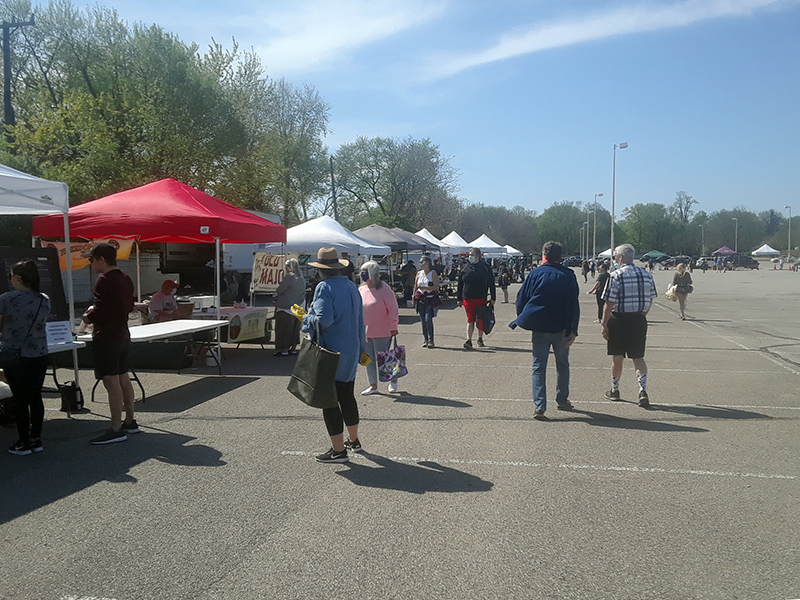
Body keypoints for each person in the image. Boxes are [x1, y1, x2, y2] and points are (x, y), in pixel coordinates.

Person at [303, 248, 367, 463]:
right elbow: (359, 320)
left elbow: (324, 320)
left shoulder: (324, 288)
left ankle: (338, 450)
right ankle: (354, 440)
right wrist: (362, 349)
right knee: (347, 395)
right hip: (351, 348)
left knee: (329, 400)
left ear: (321, 270)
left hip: (331, 351)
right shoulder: (351, 286)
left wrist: (306, 318)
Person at [511, 241, 579, 420]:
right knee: (562, 365)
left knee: (538, 366)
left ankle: (539, 405)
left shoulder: (535, 274)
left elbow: (521, 299)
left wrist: (524, 317)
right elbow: (573, 305)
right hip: (561, 327)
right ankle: (562, 399)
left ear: (544, 255)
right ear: (560, 256)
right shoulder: (568, 275)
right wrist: (573, 330)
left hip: (540, 327)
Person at [82, 243, 138, 444]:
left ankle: (115, 427)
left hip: (106, 337)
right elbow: (130, 304)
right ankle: (130, 420)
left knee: (110, 380)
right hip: (123, 334)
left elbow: (101, 308)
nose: (90, 263)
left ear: (101, 260)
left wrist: (88, 317)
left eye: (92, 259)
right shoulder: (125, 278)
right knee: (123, 377)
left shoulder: (103, 280)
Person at [1, 261, 51, 455]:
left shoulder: (6, 299)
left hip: (15, 354)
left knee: (20, 398)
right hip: (39, 353)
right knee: (35, 396)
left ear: (18, 278)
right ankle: (36, 438)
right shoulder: (44, 299)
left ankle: (23, 440)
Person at [600, 244, 658, 407]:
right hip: (638, 319)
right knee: (638, 357)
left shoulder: (616, 275)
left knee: (618, 358)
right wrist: (643, 314)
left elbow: (609, 303)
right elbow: (651, 298)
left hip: (619, 319)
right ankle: (642, 390)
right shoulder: (646, 275)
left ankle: (615, 390)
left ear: (619, 258)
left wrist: (604, 324)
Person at [359, 260, 400, 394]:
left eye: (365, 272)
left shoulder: (384, 288)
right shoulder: (361, 289)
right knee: (368, 359)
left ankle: (393, 380)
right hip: (366, 331)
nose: (362, 274)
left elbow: (393, 308)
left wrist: (394, 325)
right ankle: (373, 386)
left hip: (382, 330)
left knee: (384, 358)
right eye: (362, 272)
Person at [457, 247, 496, 349]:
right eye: (469, 255)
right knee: (470, 319)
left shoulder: (485, 268)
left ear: (478, 256)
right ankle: (468, 340)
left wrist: (493, 297)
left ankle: (480, 338)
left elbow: (491, 283)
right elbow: (460, 284)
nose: (470, 257)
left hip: (481, 298)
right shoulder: (464, 268)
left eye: (472, 255)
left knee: (480, 320)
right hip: (468, 299)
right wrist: (459, 299)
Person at [274, 258, 306, 356]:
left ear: (290, 267)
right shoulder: (301, 278)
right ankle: (293, 348)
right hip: (299, 306)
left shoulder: (289, 277)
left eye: (287, 266)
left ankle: (283, 349)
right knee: (295, 329)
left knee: (283, 329)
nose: (285, 268)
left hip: (286, 307)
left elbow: (280, 290)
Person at [413, 256, 440, 348]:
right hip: (420, 299)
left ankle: (431, 339)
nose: (420, 264)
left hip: (429, 299)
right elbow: (416, 287)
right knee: (422, 321)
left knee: (428, 319)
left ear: (427, 263)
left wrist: (426, 288)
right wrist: (413, 297)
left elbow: (436, 287)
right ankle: (425, 339)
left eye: (422, 262)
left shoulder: (433, 273)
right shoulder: (419, 274)